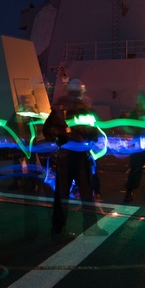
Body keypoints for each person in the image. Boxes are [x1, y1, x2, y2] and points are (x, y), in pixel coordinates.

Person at [43, 79, 100, 234]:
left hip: (65, 155)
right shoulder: (86, 110)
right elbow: (94, 133)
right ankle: (90, 227)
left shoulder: (58, 109)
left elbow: (46, 130)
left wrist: (58, 137)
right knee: (86, 193)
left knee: (62, 192)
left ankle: (58, 226)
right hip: (80, 156)